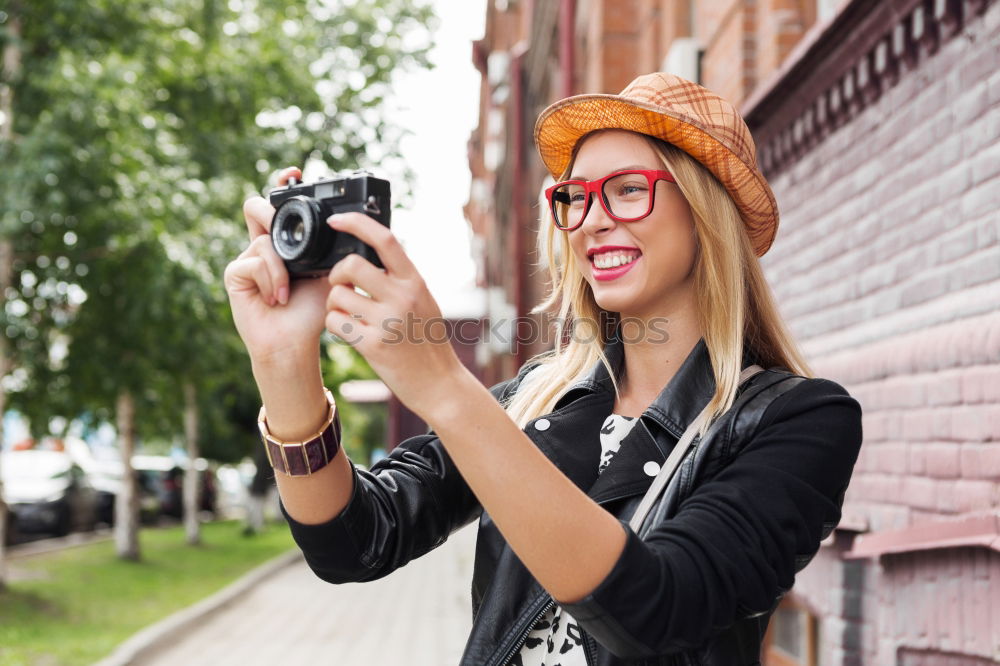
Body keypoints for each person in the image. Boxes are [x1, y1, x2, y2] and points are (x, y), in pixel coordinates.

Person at [224, 72, 863, 666]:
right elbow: (354, 542)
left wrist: (444, 387)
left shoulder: (797, 420)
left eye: (630, 190)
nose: (592, 221)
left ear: (706, 213)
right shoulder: (538, 397)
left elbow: (657, 609)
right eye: (574, 198)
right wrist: (283, 365)